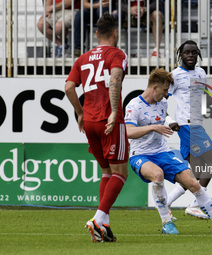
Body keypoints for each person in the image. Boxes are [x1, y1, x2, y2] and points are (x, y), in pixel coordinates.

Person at [124, 68, 212, 235]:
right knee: (158, 175)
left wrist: (170, 121)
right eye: (164, 90)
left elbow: (165, 114)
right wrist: (153, 128)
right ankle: (167, 223)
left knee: (193, 183)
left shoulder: (162, 103)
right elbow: (128, 132)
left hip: (163, 152)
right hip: (140, 155)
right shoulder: (134, 105)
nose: (166, 95)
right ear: (154, 87)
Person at [65, 12, 128, 242]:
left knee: (106, 172)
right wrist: (113, 111)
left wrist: (80, 113)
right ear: (115, 33)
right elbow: (115, 79)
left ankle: (104, 227)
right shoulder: (117, 53)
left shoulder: (82, 58)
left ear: (95, 34)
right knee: (121, 173)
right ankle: (97, 219)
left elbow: (69, 87)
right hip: (109, 120)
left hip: (89, 121)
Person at [166, 40, 212, 220]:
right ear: (180, 54)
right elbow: (162, 99)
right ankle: (196, 204)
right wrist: (169, 120)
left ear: (198, 55)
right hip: (187, 125)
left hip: (196, 123)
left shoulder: (201, 73)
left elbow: (201, 103)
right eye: (187, 52)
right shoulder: (175, 76)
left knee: (195, 171)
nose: (190, 56)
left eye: (194, 53)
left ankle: (166, 202)